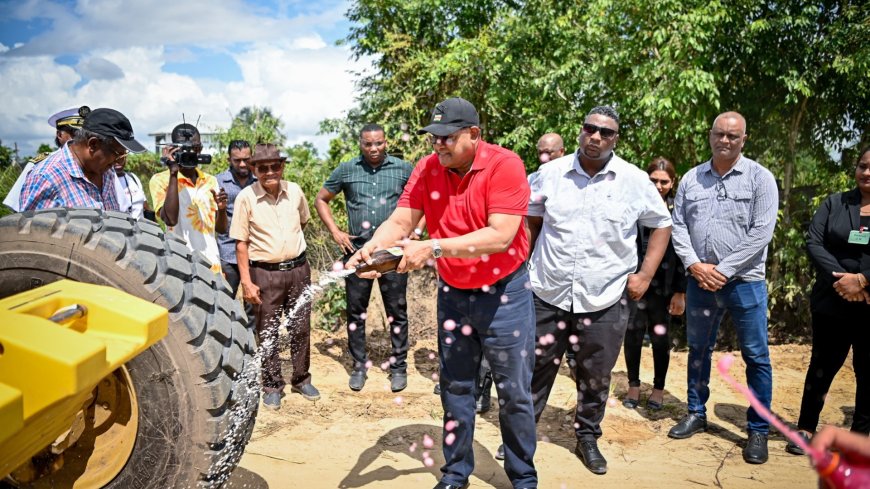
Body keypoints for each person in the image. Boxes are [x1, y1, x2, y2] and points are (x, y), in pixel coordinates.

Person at [347, 97, 538, 489]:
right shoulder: (428, 167)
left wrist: (432, 247)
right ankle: (455, 473)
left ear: (474, 134)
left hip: (505, 295)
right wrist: (372, 247)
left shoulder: (505, 165)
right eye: (433, 138)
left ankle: (523, 476)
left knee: (514, 391)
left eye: (447, 138)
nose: (438, 146)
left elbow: (501, 235)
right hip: (454, 293)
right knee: (455, 387)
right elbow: (403, 218)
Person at [524, 106, 672, 475]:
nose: (596, 137)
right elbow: (531, 221)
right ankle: (521, 436)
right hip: (547, 291)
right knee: (536, 367)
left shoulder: (634, 180)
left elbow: (662, 225)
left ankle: (587, 435)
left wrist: (645, 275)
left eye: (605, 133)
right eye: (590, 128)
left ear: (615, 139)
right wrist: (521, 270)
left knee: (595, 372)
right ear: (580, 131)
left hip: (605, 296)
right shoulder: (550, 174)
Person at [668, 111, 779, 465]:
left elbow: (761, 233)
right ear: (710, 135)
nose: (725, 140)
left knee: (756, 356)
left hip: (745, 282)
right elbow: (678, 226)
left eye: (733, 136)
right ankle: (696, 412)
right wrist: (695, 266)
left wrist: (724, 270)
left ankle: (758, 429)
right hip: (700, 281)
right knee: (699, 349)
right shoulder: (690, 178)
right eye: (720, 134)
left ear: (744, 139)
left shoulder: (761, 179)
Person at [314, 123, 414, 393]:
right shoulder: (347, 169)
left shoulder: (403, 169)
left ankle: (398, 367)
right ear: (360, 143)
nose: (373, 149)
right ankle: (359, 366)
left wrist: (415, 231)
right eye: (368, 144)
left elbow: (422, 198)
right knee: (357, 311)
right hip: (356, 253)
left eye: (378, 143)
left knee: (397, 311)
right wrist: (336, 232)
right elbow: (321, 199)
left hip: (392, 253)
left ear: (386, 142)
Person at [786, 146, 870, 455]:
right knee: (822, 365)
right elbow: (814, 242)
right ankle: (806, 428)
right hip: (832, 300)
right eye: (862, 166)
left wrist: (862, 280)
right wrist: (843, 281)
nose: (867, 172)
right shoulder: (835, 203)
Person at [230, 143, 321, 408]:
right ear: (254, 169)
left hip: (298, 271)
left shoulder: (294, 191)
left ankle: (302, 379)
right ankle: (271, 385)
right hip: (264, 274)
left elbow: (302, 222)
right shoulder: (245, 198)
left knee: (301, 328)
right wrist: (246, 282)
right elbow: (241, 244)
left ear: (282, 167)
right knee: (267, 330)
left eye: (275, 166)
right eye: (263, 167)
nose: (270, 172)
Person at [622, 157, 686, 410]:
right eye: (653, 181)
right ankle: (633, 386)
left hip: (664, 285)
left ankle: (658, 389)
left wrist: (680, 290)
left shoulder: (678, 213)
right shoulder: (634, 205)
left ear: (673, 182)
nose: (658, 186)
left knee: (660, 337)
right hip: (634, 281)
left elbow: (683, 253)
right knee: (633, 334)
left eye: (664, 182)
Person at [20, 108, 147, 211]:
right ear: (93, 144)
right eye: (117, 154)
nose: (120, 162)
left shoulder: (106, 172)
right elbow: (30, 238)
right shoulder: (46, 179)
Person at [150, 124, 227, 274]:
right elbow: (170, 220)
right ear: (173, 148)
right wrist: (173, 173)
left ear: (200, 148)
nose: (190, 151)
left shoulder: (211, 181)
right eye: (183, 147)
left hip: (212, 266)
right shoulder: (160, 180)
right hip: (180, 265)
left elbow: (221, 229)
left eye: (194, 147)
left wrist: (222, 209)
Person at [5, 107, 88, 211]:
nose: (81, 139)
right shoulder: (40, 165)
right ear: (59, 135)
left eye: (85, 134)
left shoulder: (99, 165)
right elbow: (19, 211)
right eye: (75, 134)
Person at [216, 140, 257, 297]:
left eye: (246, 160)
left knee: (254, 304)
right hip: (227, 253)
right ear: (229, 160)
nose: (242, 164)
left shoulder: (259, 181)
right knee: (224, 301)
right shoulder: (218, 182)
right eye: (237, 160)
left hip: (254, 253)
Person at [113, 155, 150, 220]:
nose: (118, 161)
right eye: (115, 158)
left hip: (141, 228)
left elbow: (145, 205)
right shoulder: (107, 181)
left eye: (121, 157)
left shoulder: (133, 177)